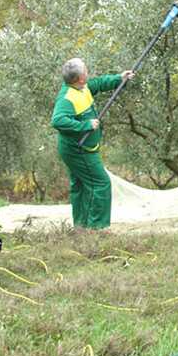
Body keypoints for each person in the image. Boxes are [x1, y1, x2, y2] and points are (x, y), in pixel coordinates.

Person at [51, 58, 134, 230]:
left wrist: (119, 78)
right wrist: (85, 125)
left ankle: (81, 228)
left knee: (80, 185)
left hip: (80, 148)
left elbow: (98, 84)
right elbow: (58, 121)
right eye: (85, 72)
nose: (88, 74)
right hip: (78, 149)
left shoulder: (82, 88)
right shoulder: (67, 98)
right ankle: (97, 229)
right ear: (79, 78)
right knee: (101, 183)